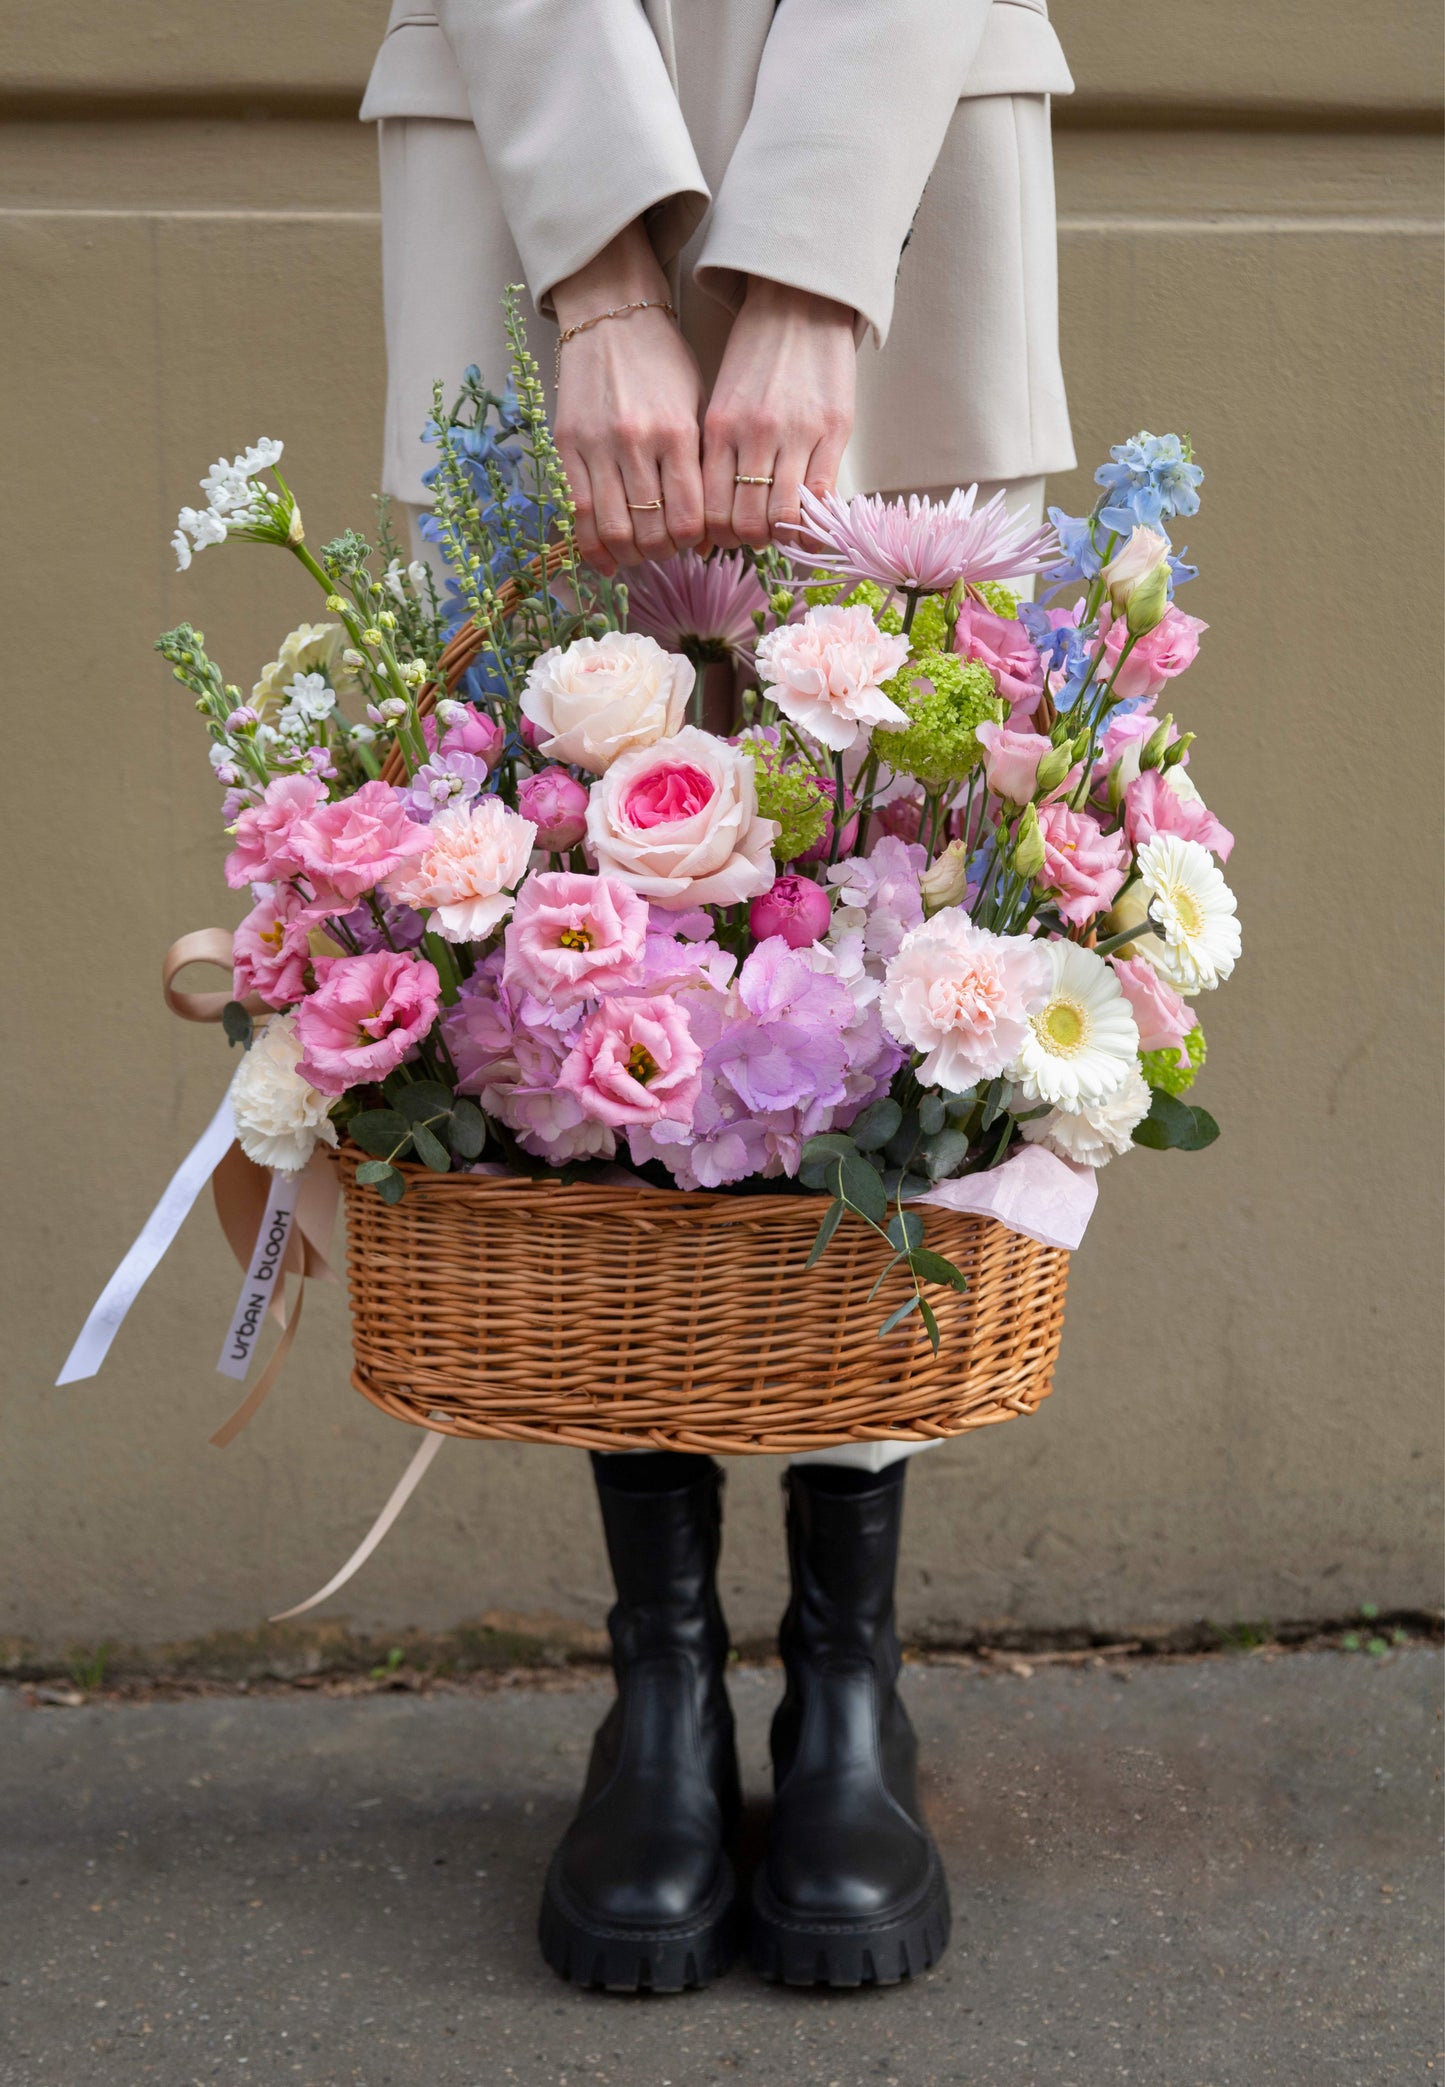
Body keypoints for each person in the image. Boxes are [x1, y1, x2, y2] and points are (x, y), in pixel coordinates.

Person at [362, 0, 1075, 1992]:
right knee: (569, 929)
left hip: (897, 93)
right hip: (522, 95)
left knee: (899, 919)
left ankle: (849, 1689)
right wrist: (594, 276)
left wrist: (822, 248)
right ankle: (657, 1690)